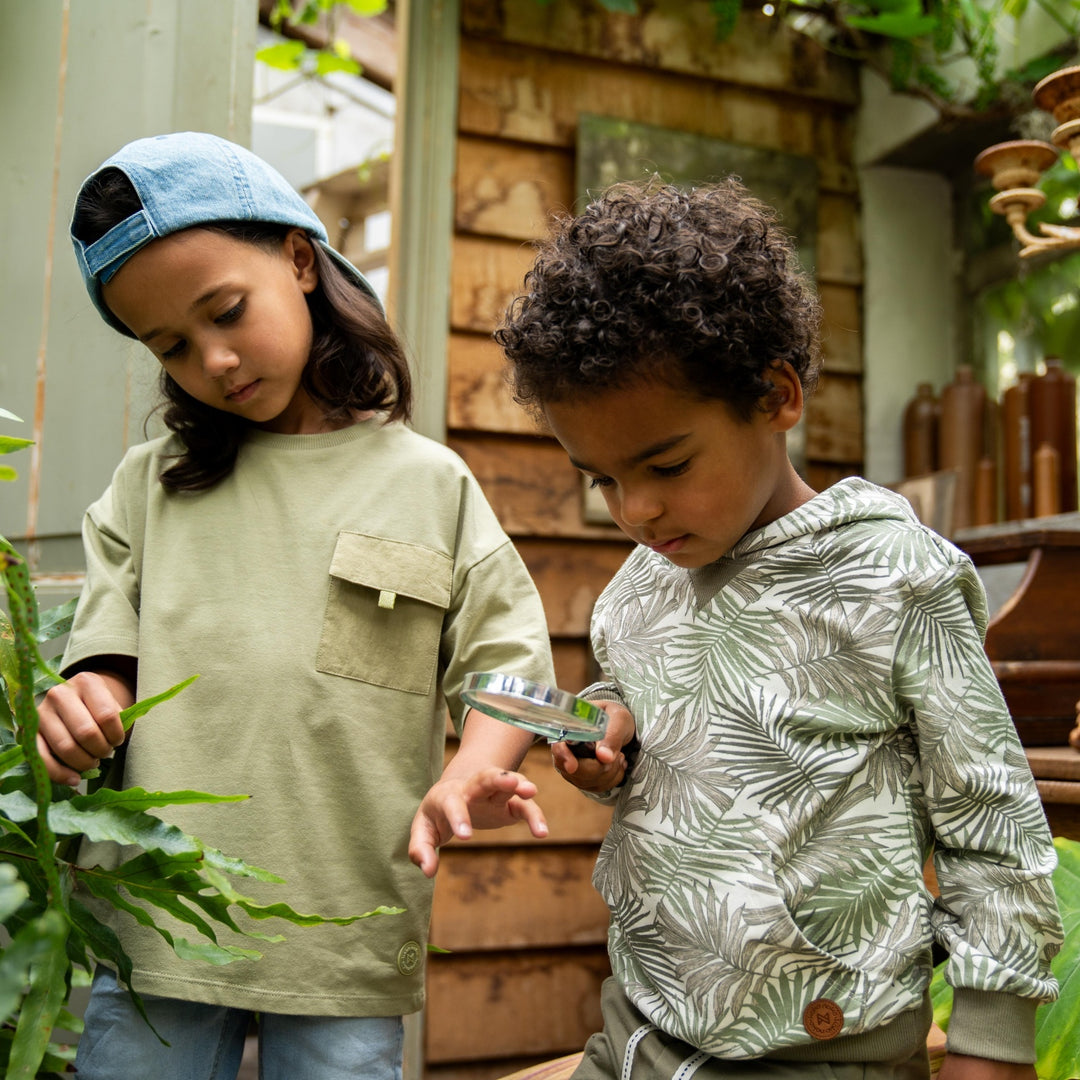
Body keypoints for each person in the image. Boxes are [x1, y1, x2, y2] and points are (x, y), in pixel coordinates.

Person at [495, 177, 1063, 1080]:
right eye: (600, 479)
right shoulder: (643, 583)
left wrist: (990, 1044)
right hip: (638, 1030)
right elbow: (651, 710)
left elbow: (991, 820)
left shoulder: (894, 575)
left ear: (777, 396)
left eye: (667, 463)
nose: (636, 509)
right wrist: (613, 738)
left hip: (821, 1054)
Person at [37, 131, 554, 1080]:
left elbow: (506, 661)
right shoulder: (148, 488)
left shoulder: (428, 485)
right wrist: (84, 704)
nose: (216, 360)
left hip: (342, 935)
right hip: (159, 930)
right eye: (173, 348)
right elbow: (104, 660)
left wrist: (470, 767)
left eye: (226, 311)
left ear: (301, 259)